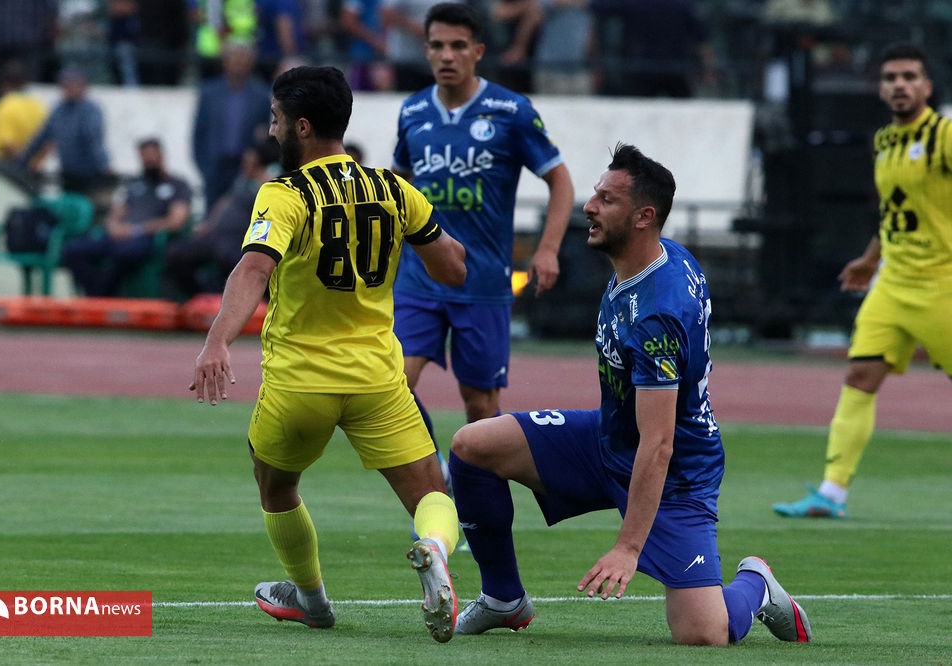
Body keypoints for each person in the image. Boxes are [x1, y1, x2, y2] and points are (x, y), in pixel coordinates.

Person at [448, 143, 812, 645]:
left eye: (606, 199)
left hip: (675, 472)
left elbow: (659, 444)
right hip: (611, 439)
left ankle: (756, 584)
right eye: (595, 194)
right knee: (473, 446)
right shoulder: (659, 256)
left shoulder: (657, 315)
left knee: (703, 633)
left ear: (644, 217)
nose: (589, 206)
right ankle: (503, 598)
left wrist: (627, 548)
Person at [190, 65, 468, 643]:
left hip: (300, 382)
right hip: (378, 380)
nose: (271, 130)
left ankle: (311, 601)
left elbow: (254, 267)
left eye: (276, 119)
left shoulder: (285, 193)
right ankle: (436, 550)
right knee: (431, 495)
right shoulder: (393, 189)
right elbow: (453, 267)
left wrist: (217, 340)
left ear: (302, 127)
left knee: (276, 486)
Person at [774, 43, 952, 519]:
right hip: (893, 284)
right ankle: (831, 494)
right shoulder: (884, 141)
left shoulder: (944, 137)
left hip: (942, 285)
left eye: (909, 76)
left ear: (927, 86)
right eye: (891, 77)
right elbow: (894, 212)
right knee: (860, 376)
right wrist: (871, 259)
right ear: (880, 87)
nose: (900, 85)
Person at [391, 2, 574, 445]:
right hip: (418, 277)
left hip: (483, 280)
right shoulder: (413, 111)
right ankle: (434, 471)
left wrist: (548, 249)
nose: (446, 56)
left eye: (458, 46)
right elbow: (397, 187)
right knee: (392, 384)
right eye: (437, 46)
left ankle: (473, 481)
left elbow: (560, 181)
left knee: (479, 404)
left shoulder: (511, 111)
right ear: (426, 50)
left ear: (477, 51)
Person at [62, 138, 191, 296]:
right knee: (72, 251)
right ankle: (98, 293)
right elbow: (116, 213)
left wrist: (136, 230)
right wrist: (113, 226)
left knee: (126, 253)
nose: (149, 161)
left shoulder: (178, 185)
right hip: (119, 237)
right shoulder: (135, 185)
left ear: (161, 155)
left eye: (152, 156)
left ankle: (100, 295)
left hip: (148, 238)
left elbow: (175, 221)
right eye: (145, 157)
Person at [164, 137, 280, 298]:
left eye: (249, 160)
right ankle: (202, 293)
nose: (244, 163)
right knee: (176, 253)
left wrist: (263, 177)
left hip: (238, 239)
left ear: (258, 161)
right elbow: (224, 202)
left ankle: (236, 296)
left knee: (229, 255)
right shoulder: (241, 182)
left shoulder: (269, 182)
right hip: (215, 236)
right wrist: (209, 224)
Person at [192, 41, 270, 211]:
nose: (238, 64)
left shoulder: (261, 95)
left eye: (242, 60)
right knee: (213, 214)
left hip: (245, 166)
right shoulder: (209, 92)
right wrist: (204, 166)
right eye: (234, 59)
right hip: (215, 165)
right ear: (225, 62)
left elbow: (264, 133)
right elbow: (199, 132)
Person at [17, 66, 111, 196]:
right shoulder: (59, 110)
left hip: (92, 173)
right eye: (65, 85)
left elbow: (93, 139)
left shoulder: (91, 110)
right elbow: (41, 137)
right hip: (68, 173)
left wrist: (104, 165)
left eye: (72, 84)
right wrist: (22, 160)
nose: (68, 89)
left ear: (83, 86)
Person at [0, 60, 48, 160]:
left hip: (2, 166)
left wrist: (21, 163)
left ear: (3, 84)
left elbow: (6, 144)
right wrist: (32, 162)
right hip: (31, 167)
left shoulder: (5, 105)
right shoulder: (36, 106)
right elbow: (47, 142)